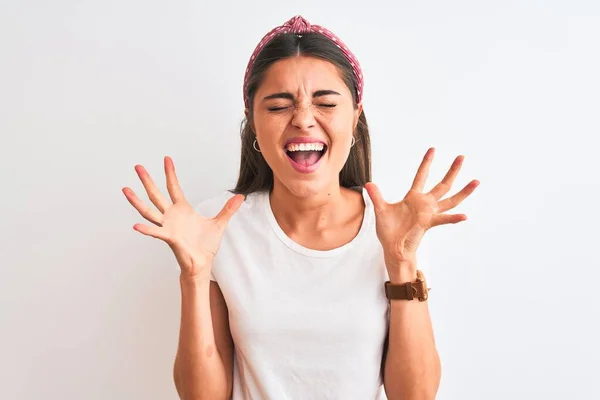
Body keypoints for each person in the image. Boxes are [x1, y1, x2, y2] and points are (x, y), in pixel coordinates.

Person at [122, 15, 479, 400]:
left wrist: (401, 261)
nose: (304, 120)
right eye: (277, 107)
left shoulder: (392, 228)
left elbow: (415, 396)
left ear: (356, 118)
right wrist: (194, 275)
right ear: (253, 123)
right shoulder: (215, 228)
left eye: (325, 102)